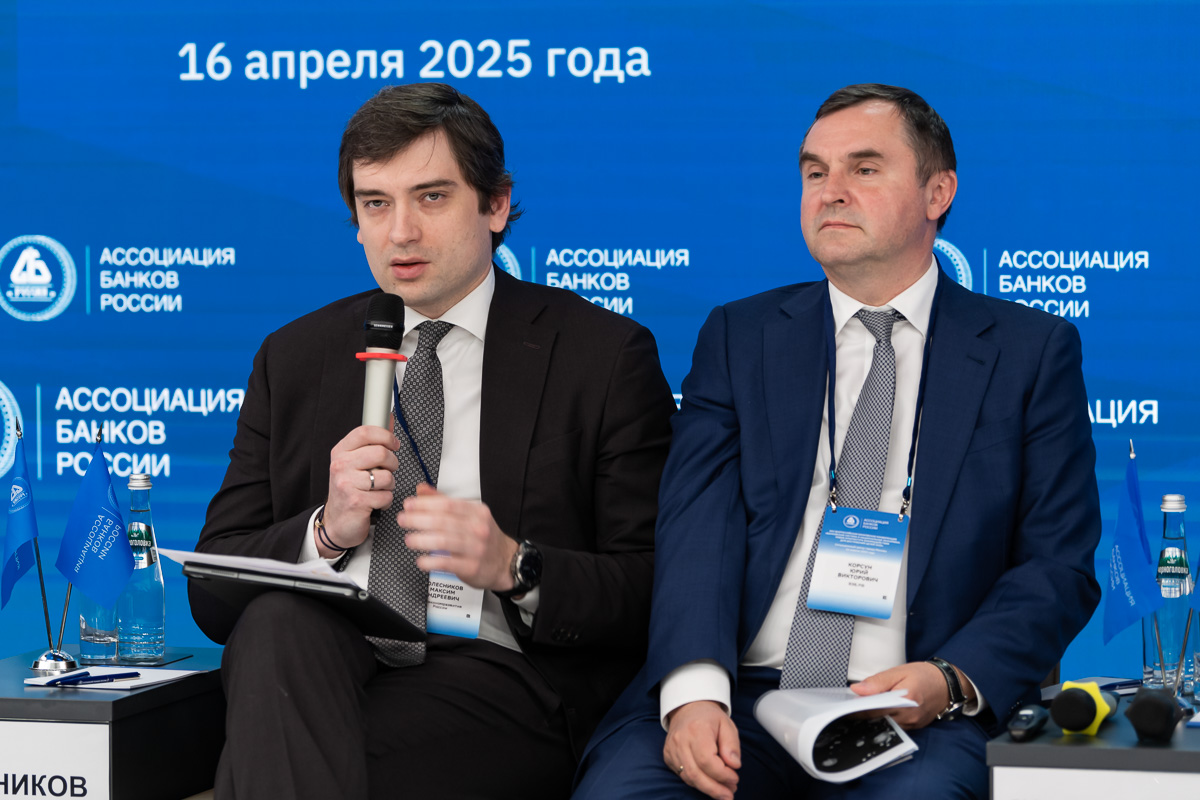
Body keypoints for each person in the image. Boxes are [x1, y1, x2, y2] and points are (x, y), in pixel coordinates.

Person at [574, 83, 1100, 800]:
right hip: (744, 692)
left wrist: (948, 680)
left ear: (938, 192)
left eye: (865, 168)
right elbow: (697, 530)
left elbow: (1056, 563)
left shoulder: (1029, 352)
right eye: (815, 171)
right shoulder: (741, 338)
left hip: (914, 705)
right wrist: (694, 693)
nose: (831, 191)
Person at [188, 82, 676, 800]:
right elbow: (212, 593)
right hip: (326, 659)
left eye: (432, 197)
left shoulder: (600, 355)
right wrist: (325, 532)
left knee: (273, 763)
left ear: (496, 205)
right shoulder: (294, 358)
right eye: (375, 204)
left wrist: (516, 565)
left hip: (502, 672)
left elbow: (652, 585)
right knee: (274, 621)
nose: (401, 233)